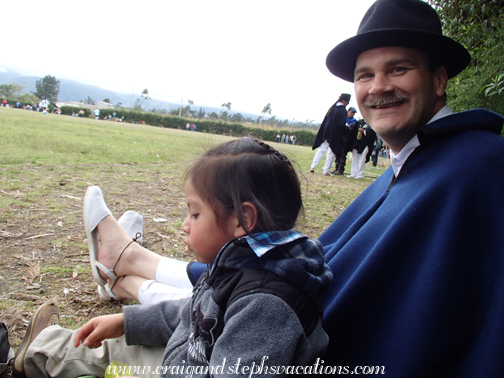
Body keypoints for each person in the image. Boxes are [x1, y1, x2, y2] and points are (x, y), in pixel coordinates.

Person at [61, 0, 504, 376]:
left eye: (399, 69)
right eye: (364, 75)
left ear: (439, 80)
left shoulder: (473, 170)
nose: (378, 87)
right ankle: (126, 267)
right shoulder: (416, 161)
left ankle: (123, 268)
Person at [14, 137, 332, 378]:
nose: (184, 224)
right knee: (114, 342)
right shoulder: (244, 264)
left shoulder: (264, 306)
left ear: (242, 220)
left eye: (194, 213)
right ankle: (47, 344)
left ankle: (35, 354)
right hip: (189, 355)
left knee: (98, 359)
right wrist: (127, 321)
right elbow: (198, 313)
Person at [309, 93, 351, 175]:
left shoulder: (333, 108)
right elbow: (341, 125)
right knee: (331, 151)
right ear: (344, 100)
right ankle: (325, 170)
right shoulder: (342, 110)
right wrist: (347, 129)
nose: (348, 103)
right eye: (347, 101)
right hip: (335, 134)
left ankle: (313, 166)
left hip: (326, 132)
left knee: (321, 149)